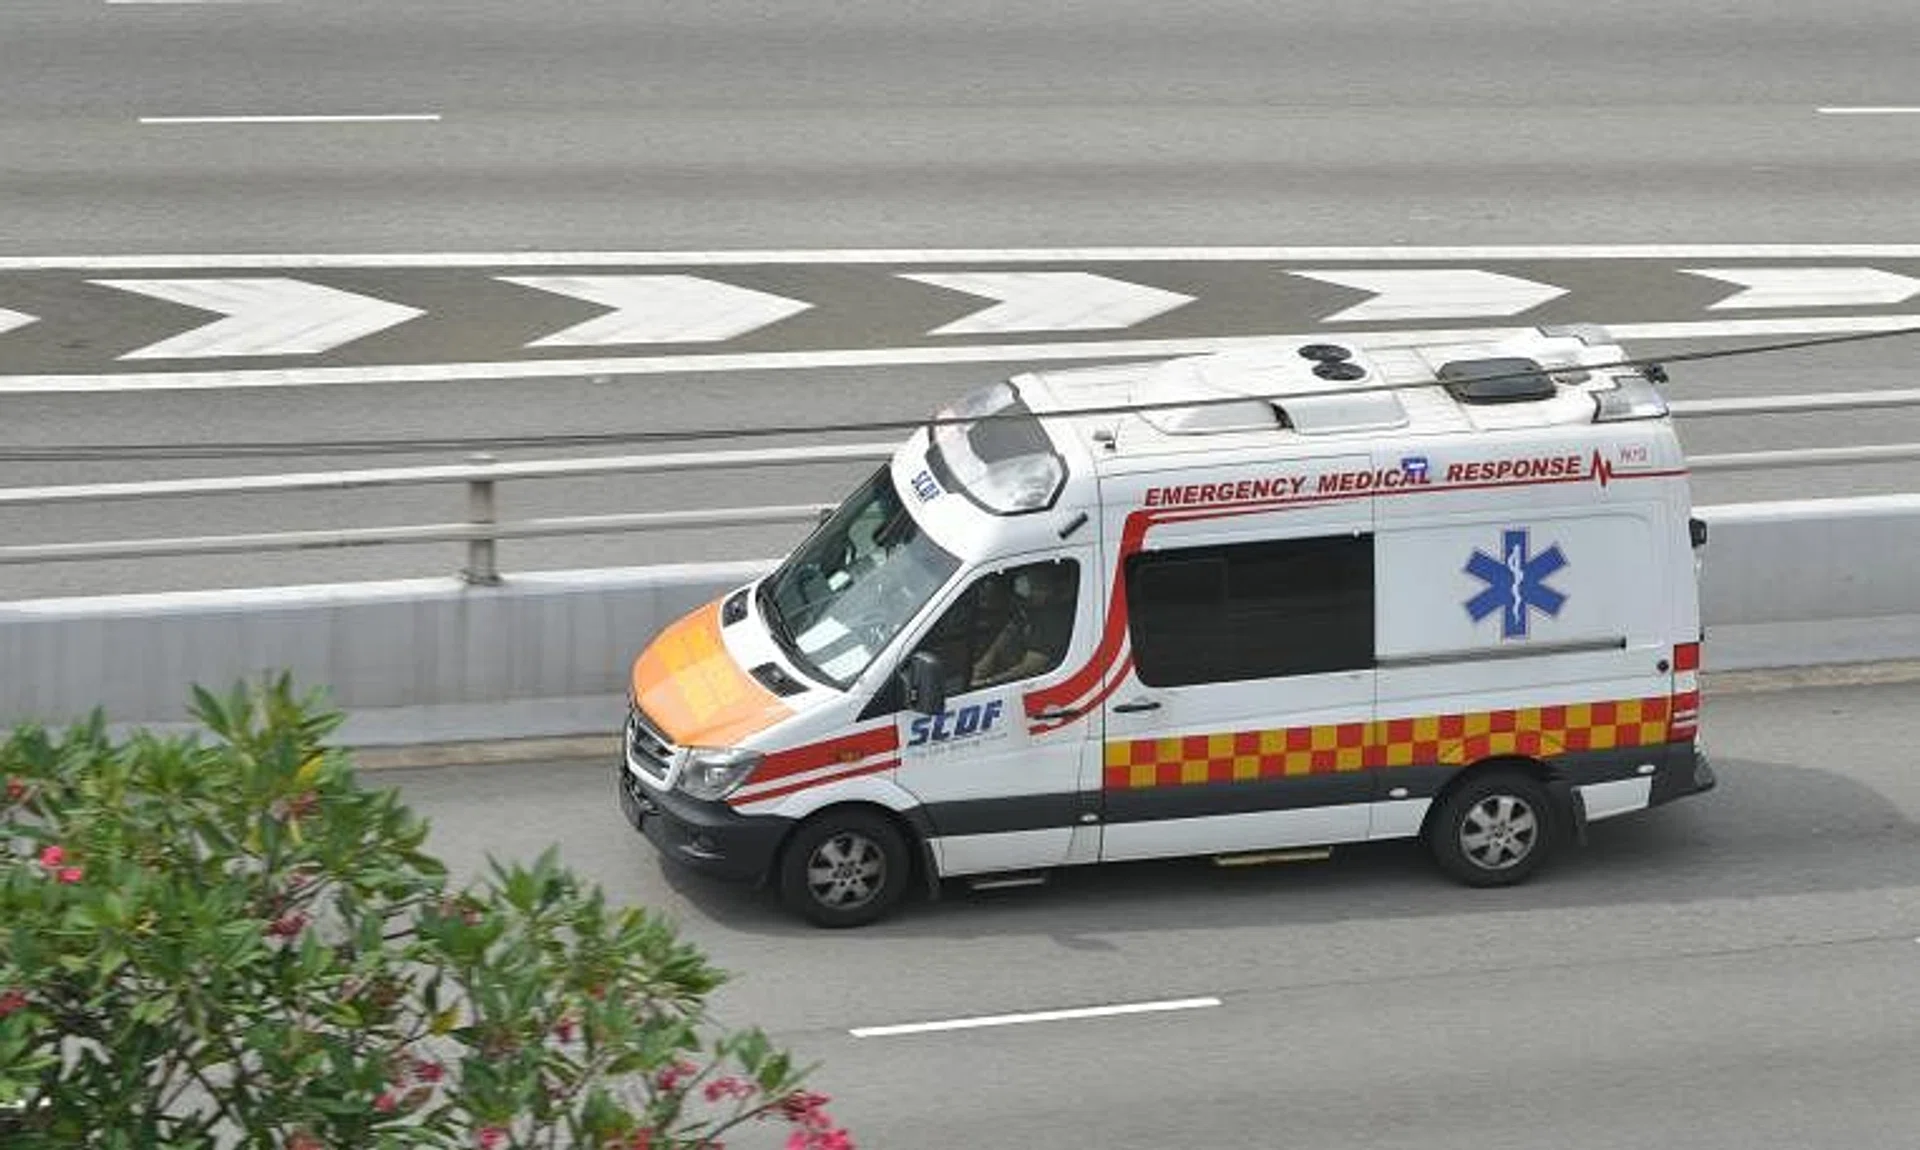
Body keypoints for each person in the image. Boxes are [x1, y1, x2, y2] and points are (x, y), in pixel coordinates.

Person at [971, 562, 1076, 687]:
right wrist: (975, 675)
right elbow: (997, 648)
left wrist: (989, 682)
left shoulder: (1053, 620)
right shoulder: (1026, 613)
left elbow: (1030, 667)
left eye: (1037, 586)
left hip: (1039, 684)